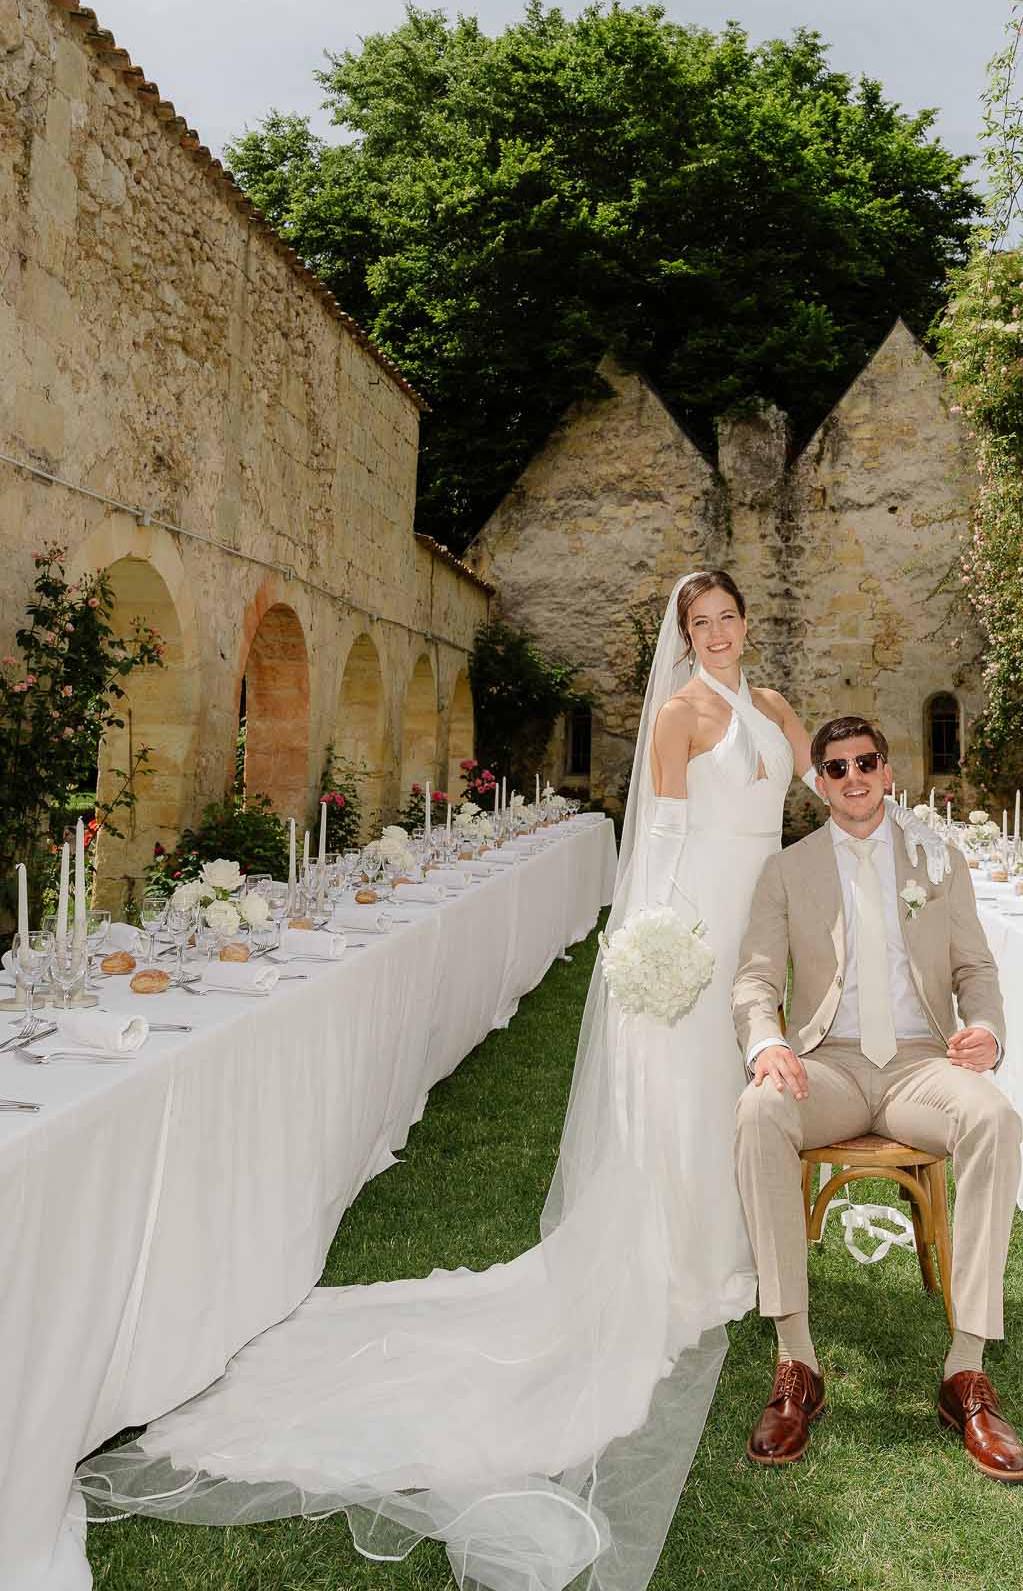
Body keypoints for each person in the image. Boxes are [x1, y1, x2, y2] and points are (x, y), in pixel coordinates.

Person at [80, 570, 813, 1591]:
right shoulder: (683, 715)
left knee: (747, 1095)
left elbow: (826, 791)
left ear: (748, 622)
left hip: (767, 922)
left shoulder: (774, 708)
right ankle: (689, 1257)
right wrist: (661, 948)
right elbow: (665, 845)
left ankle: (739, 1240)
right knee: (691, 1099)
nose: (722, 633)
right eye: (704, 623)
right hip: (703, 928)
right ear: (685, 638)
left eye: (732, 617)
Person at [731, 714, 1023, 1481]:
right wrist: (766, 1044)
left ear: (887, 773)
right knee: (760, 1108)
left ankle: (965, 1368)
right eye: (836, 767)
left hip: (917, 1068)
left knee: (994, 1116)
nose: (853, 776)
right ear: (820, 783)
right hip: (824, 1067)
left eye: (866, 762)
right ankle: (795, 1361)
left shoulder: (936, 860)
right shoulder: (786, 870)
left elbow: (976, 969)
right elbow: (756, 980)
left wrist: (987, 1031)